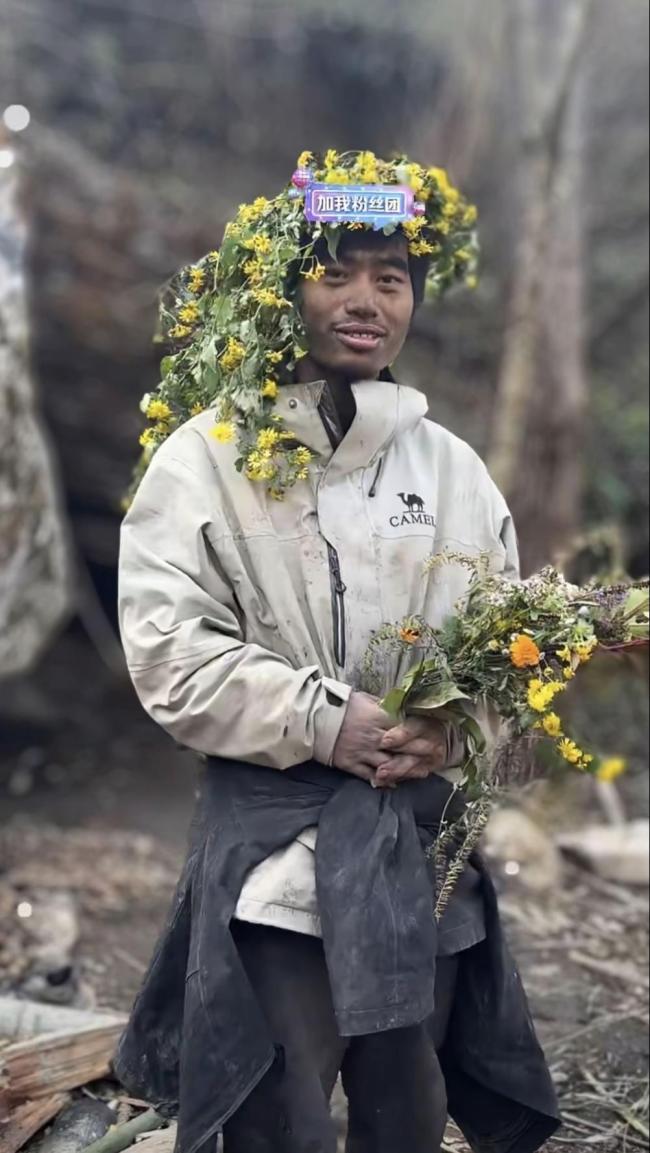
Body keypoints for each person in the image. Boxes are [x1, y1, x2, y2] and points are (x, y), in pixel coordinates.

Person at [116, 152, 561, 1153]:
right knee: (277, 1117)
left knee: (407, 1109)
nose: (365, 300)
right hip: (276, 856)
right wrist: (326, 719)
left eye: (389, 277)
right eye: (336, 273)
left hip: (416, 855)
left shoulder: (452, 472)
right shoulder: (206, 459)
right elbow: (166, 649)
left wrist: (453, 733)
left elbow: (513, 662)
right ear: (282, 289)